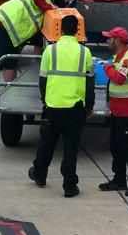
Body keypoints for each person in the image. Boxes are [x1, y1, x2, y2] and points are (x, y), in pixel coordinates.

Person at [29, 15, 94, 197]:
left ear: (60, 30)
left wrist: (45, 100)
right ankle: (69, 186)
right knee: (71, 148)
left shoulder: (50, 51)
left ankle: (40, 175)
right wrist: (89, 106)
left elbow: (42, 80)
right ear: (78, 30)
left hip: (53, 106)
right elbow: (89, 83)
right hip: (75, 108)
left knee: (46, 144)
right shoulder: (85, 53)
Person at [97, 26, 128, 197]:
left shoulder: (127, 60)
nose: (107, 41)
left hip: (127, 112)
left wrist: (107, 68)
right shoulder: (118, 57)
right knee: (116, 146)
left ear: (118, 41)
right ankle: (119, 180)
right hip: (118, 111)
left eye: (110, 38)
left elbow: (119, 79)